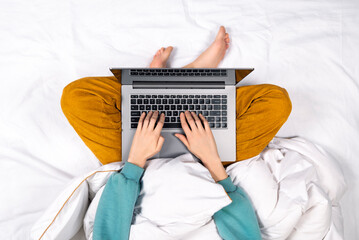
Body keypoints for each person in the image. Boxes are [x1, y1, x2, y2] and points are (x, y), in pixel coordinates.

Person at [61, 26, 292, 240]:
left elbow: (109, 230)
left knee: (77, 99)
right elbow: (243, 231)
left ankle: (161, 86)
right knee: (275, 103)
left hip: (135, 167)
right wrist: (211, 160)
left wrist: (136, 161)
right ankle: (183, 81)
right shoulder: (211, 162)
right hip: (209, 164)